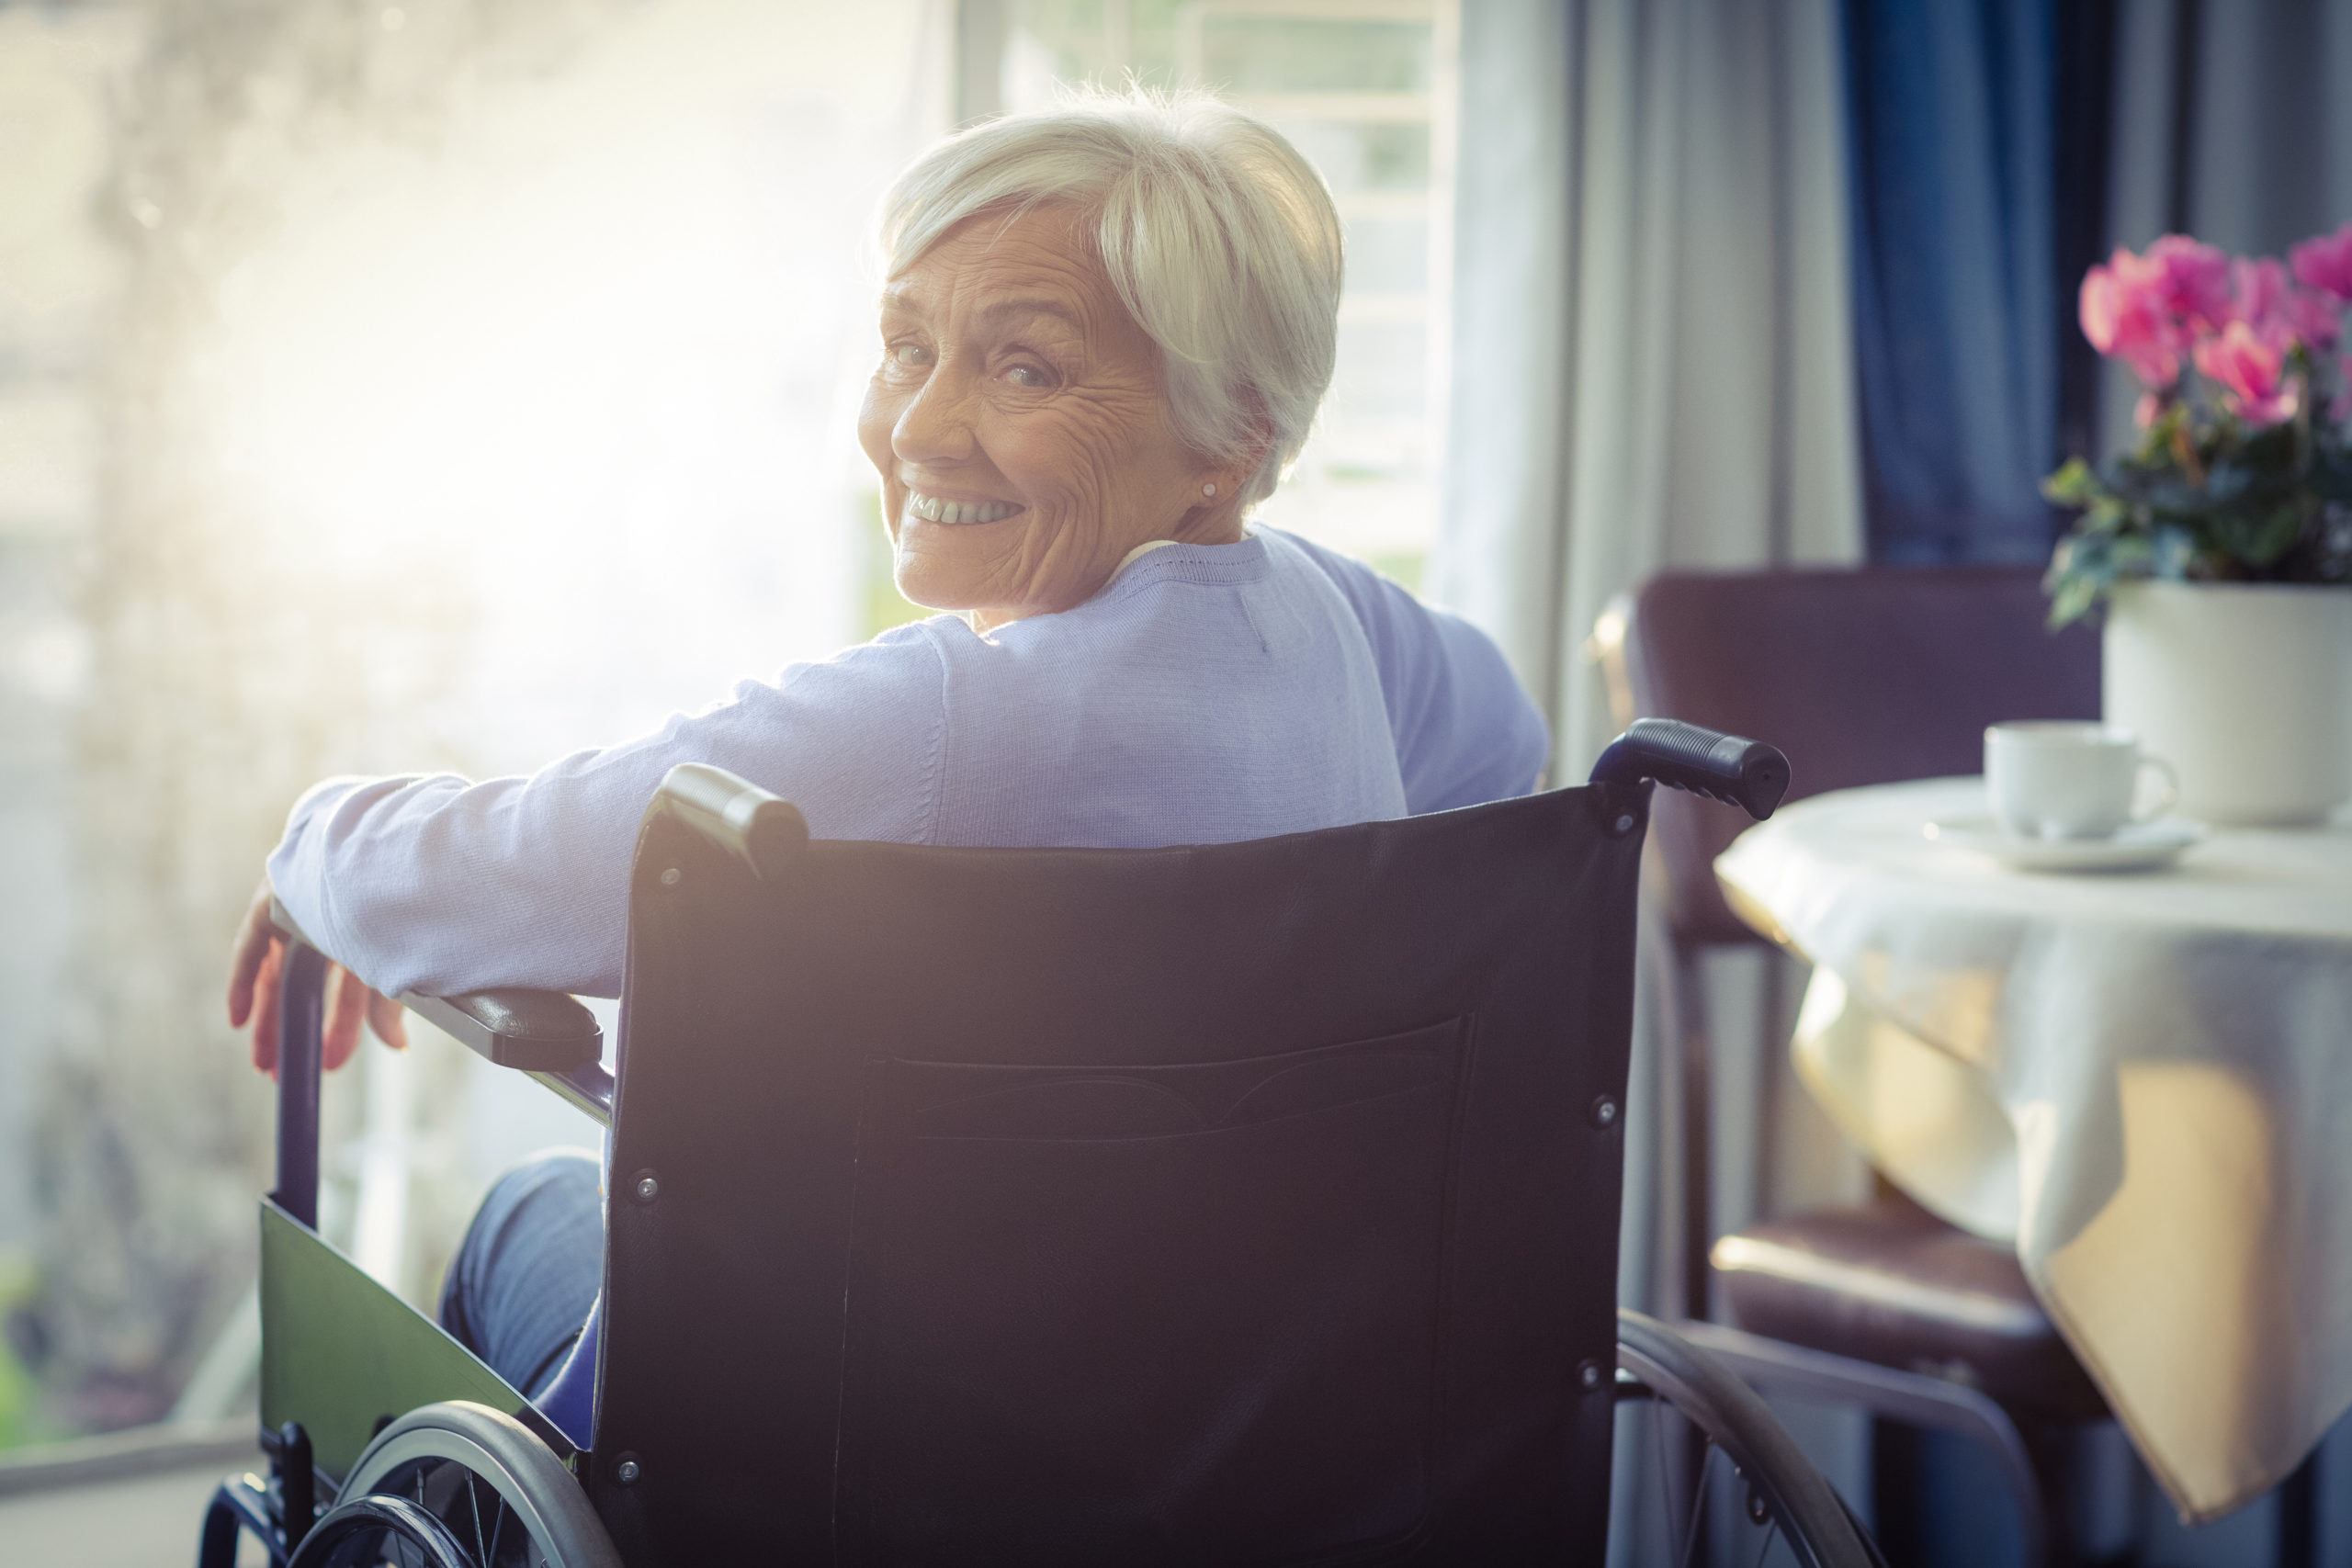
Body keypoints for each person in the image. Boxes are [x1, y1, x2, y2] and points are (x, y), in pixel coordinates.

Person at [223, 89, 1549, 1448]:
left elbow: (478, 880)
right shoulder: (1340, 621)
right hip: (1258, 1429)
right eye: (907, 347)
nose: (919, 428)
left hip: (872, 1446)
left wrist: (314, 848)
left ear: (1231, 441)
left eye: (1025, 368)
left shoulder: (930, 725)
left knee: (525, 1216)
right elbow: (1507, 738)